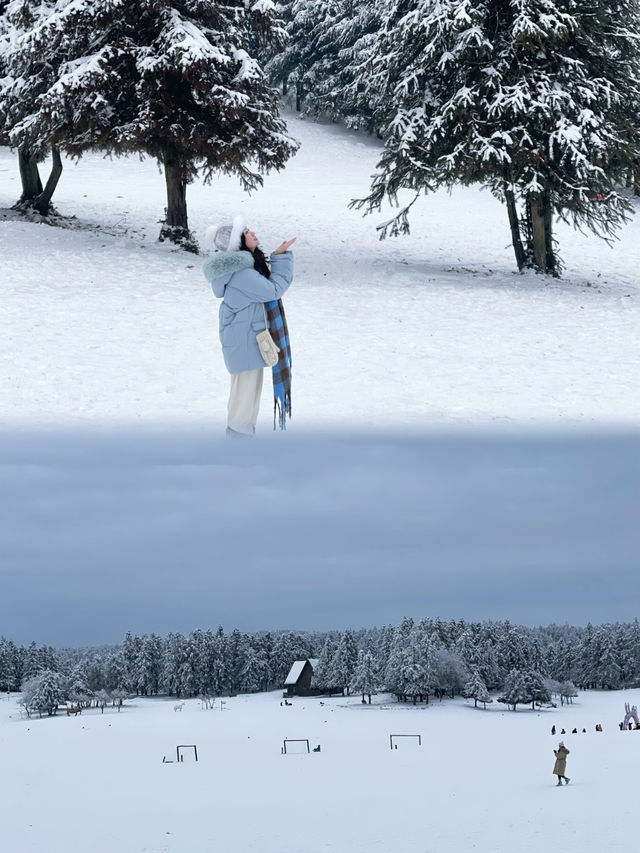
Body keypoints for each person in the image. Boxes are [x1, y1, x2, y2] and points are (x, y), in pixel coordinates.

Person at [203, 216, 296, 436]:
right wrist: (280, 258)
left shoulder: (245, 269)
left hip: (247, 341)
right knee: (243, 406)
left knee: (247, 403)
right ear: (238, 244)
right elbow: (273, 290)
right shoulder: (242, 274)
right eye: (246, 233)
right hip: (245, 344)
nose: (252, 233)